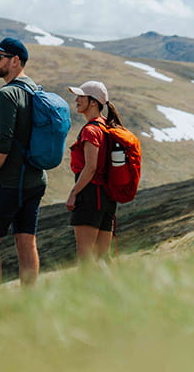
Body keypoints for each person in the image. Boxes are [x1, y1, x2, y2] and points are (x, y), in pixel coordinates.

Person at [0, 37, 47, 288]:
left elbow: (3, 143)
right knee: (26, 241)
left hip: (9, 181)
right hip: (36, 179)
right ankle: (30, 303)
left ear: (15, 61)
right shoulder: (36, 90)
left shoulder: (7, 94)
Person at [65, 80, 124, 262]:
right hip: (107, 198)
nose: (76, 100)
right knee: (102, 257)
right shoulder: (107, 127)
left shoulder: (91, 131)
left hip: (90, 196)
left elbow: (91, 167)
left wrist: (74, 193)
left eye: (81, 97)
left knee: (86, 256)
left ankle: (86, 290)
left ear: (93, 102)